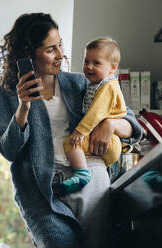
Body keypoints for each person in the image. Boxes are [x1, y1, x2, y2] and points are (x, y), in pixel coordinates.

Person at [0, 13, 143, 248]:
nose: (61, 54)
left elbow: (133, 125)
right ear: (28, 54)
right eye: (51, 49)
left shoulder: (81, 83)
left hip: (90, 178)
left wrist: (109, 124)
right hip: (40, 191)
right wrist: (23, 107)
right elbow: (9, 150)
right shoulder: (4, 92)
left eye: (60, 44)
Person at [60, 37, 127, 195]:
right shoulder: (96, 85)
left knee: (71, 143)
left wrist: (80, 131)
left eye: (96, 63)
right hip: (105, 141)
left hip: (109, 141)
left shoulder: (109, 86)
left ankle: (82, 173)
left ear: (112, 68)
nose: (89, 67)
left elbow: (96, 112)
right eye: (86, 61)